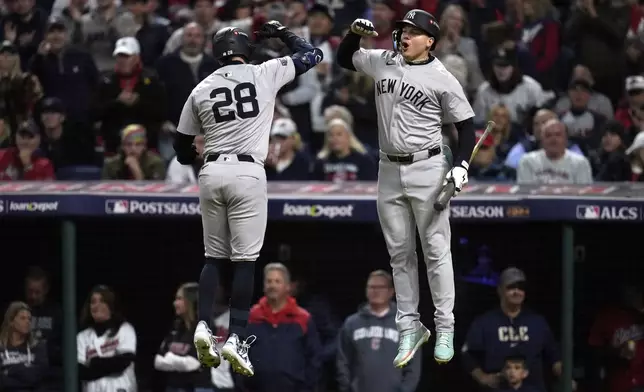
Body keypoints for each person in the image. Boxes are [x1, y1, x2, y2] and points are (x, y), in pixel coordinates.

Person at [173, 23, 323, 377]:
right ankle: (236, 337)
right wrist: (282, 32)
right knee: (245, 260)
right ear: (244, 47)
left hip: (211, 171)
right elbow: (312, 55)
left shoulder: (202, 87)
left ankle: (204, 326)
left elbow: (181, 147)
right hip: (247, 172)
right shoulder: (264, 72)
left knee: (213, 257)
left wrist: (196, 158)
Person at [336, 10, 476, 366]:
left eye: (413, 32)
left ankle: (444, 326)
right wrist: (353, 34)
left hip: (427, 165)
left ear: (430, 40)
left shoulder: (442, 76)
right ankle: (410, 327)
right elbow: (343, 58)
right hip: (388, 168)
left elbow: (466, 125)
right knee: (399, 253)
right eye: (401, 30)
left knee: (435, 249)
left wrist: (461, 165)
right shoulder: (383, 60)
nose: (404, 36)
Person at [337, 270, 421, 392]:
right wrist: (346, 387)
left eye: (380, 287)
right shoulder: (351, 323)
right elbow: (342, 360)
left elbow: (413, 366)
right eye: (371, 287)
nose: (375, 291)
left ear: (391, 292)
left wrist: (405, 389)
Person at [154, 283, 214, 392]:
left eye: (179, 299)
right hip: (173, 387)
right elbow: (158, 362)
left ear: (191, 301)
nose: (174, 303)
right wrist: (181, 362)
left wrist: (170, 358)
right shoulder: (176, 326)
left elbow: (194, 364)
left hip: (198, 388)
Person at [77, 285, 137, 392]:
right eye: (93, 302)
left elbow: (123, 362)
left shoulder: (125, 329)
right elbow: (81, 372)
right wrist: (110, 364)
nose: (96, 305)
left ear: (111, 306)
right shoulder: (82, 336)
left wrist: (95, 363)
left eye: (102, 301)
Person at [0, 302, 48, 391]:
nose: (27, 322)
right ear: (11, 321)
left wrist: (10, 371)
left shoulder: (37, 346)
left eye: (29, 319)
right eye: (22, 318)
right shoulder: (1, 346)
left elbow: (37, 377)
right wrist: (25, 371)